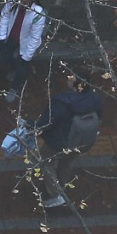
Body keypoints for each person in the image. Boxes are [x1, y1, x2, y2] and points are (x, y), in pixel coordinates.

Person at [33, 70, 103, 208]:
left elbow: (46, 124)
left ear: (79, 85)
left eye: (72, 77)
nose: (69, 77)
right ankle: (61, 187)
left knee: (45, 161)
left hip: (59, 141)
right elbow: (99, 116)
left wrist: (30, 125)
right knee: (67, 163)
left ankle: (56, 194)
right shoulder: (95, 99)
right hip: (81, 141)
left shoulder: (63, 102)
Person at [0, 0, 47, 103]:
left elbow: (35, 37)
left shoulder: (38, 13)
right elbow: (5, 16)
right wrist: (2, 37)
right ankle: (13, 68)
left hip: (26, 42)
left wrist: (27, 56)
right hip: (12, 37)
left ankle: (14, 88)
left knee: (21, 67)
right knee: (5, 56)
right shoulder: (14, 0)